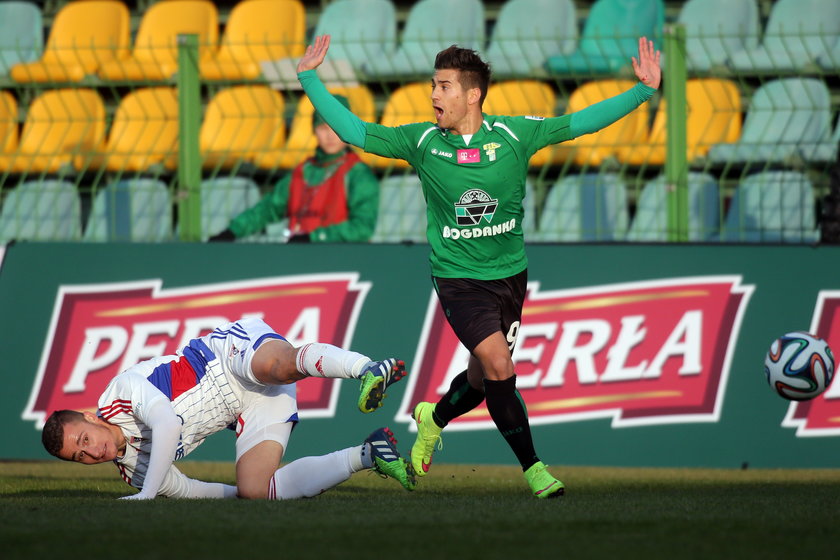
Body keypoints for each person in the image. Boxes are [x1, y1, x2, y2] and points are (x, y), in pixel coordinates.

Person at [295, 35, 661, 499]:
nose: (433, 95)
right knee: (499, 363)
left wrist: (642, 91)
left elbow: (578, 124)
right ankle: (535, 470)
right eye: (433, 85)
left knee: (480, 379)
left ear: (473, 95)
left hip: (510, 276)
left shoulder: (514, 136)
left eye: (443, 86)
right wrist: (309, 78)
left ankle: (434, 417)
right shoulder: (423, 141)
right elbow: (356, 132)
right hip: (457, 279)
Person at [40, 317, 414, 499]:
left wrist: (146, 496)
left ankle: (366, 368)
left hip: (225, 358)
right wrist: (232, 494)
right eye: (80, 456)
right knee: (256, 491)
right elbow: (186, 489)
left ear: (91, 416)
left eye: (84, 438)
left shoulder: (118, 394)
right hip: (249, 406)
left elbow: (166, 422)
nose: (91, 451)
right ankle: (369, 454)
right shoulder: (135, 473)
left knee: (277, 365)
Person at [209, 95, 379, 243]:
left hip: (342, 260)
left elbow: (362, 228)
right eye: (322, 128)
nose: (330, 135)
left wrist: (315, 238)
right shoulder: (302, 172)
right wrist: (232, 231)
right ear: (314, 131)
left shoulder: (358, 174)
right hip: (301, 257)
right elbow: (268, 208)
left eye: (337, 128)